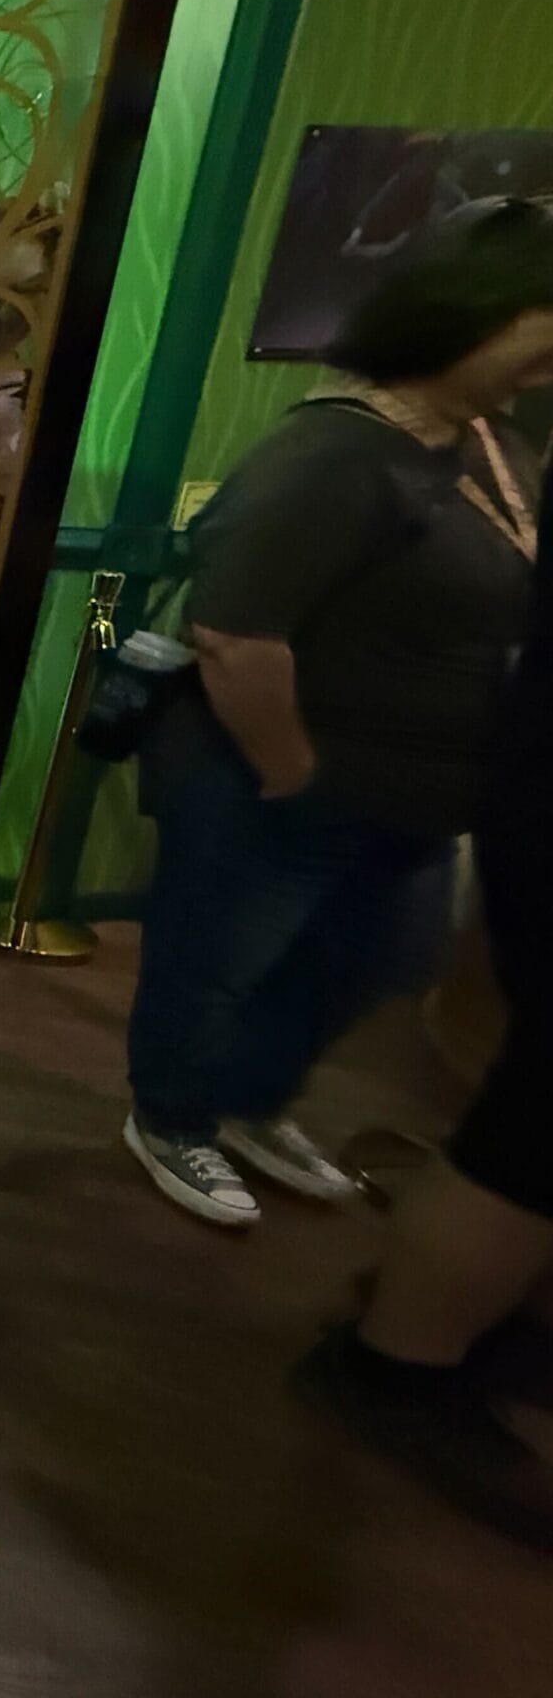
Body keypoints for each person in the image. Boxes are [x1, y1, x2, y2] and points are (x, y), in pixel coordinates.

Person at [123, 200, 553, 1225]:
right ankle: (171, 1119)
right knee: (215, 968)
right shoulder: (329, 455)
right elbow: (234, 637)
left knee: (364, 969)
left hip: (406, 803)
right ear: (467, 316)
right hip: (278, 789)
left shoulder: (487, 442)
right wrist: (289, 770)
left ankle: (247, 1106)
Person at [297, 427, 553, 1549]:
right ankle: (397, 1361)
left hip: (517, 787)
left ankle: (462, 1327)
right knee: (535, 1122)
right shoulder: (345, 452)